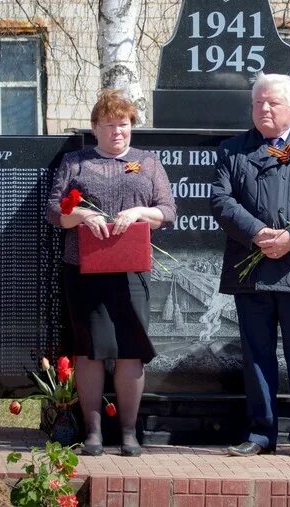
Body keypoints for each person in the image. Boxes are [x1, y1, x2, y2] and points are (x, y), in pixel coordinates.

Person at [210, 73, 290, 457]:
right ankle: (260, 433)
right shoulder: (233, 150)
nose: (264, 109)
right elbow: (221, 200)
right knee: (257, 356)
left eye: (272, 103)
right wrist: (257, 233)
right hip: (252, 268)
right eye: (258, 103)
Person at [46, 89, 176, 457]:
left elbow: (168, 211)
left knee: (129, 351)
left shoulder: (148, 163)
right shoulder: (75, 162)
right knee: (88, 351)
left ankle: (130, 433)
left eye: (123, 124)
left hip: (131, 270)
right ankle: (93, 433)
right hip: (84, 269)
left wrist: (138, 213)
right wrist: (84, 215)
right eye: (109, 125)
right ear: (95, 128)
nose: (117, 132)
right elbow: (54, 212)